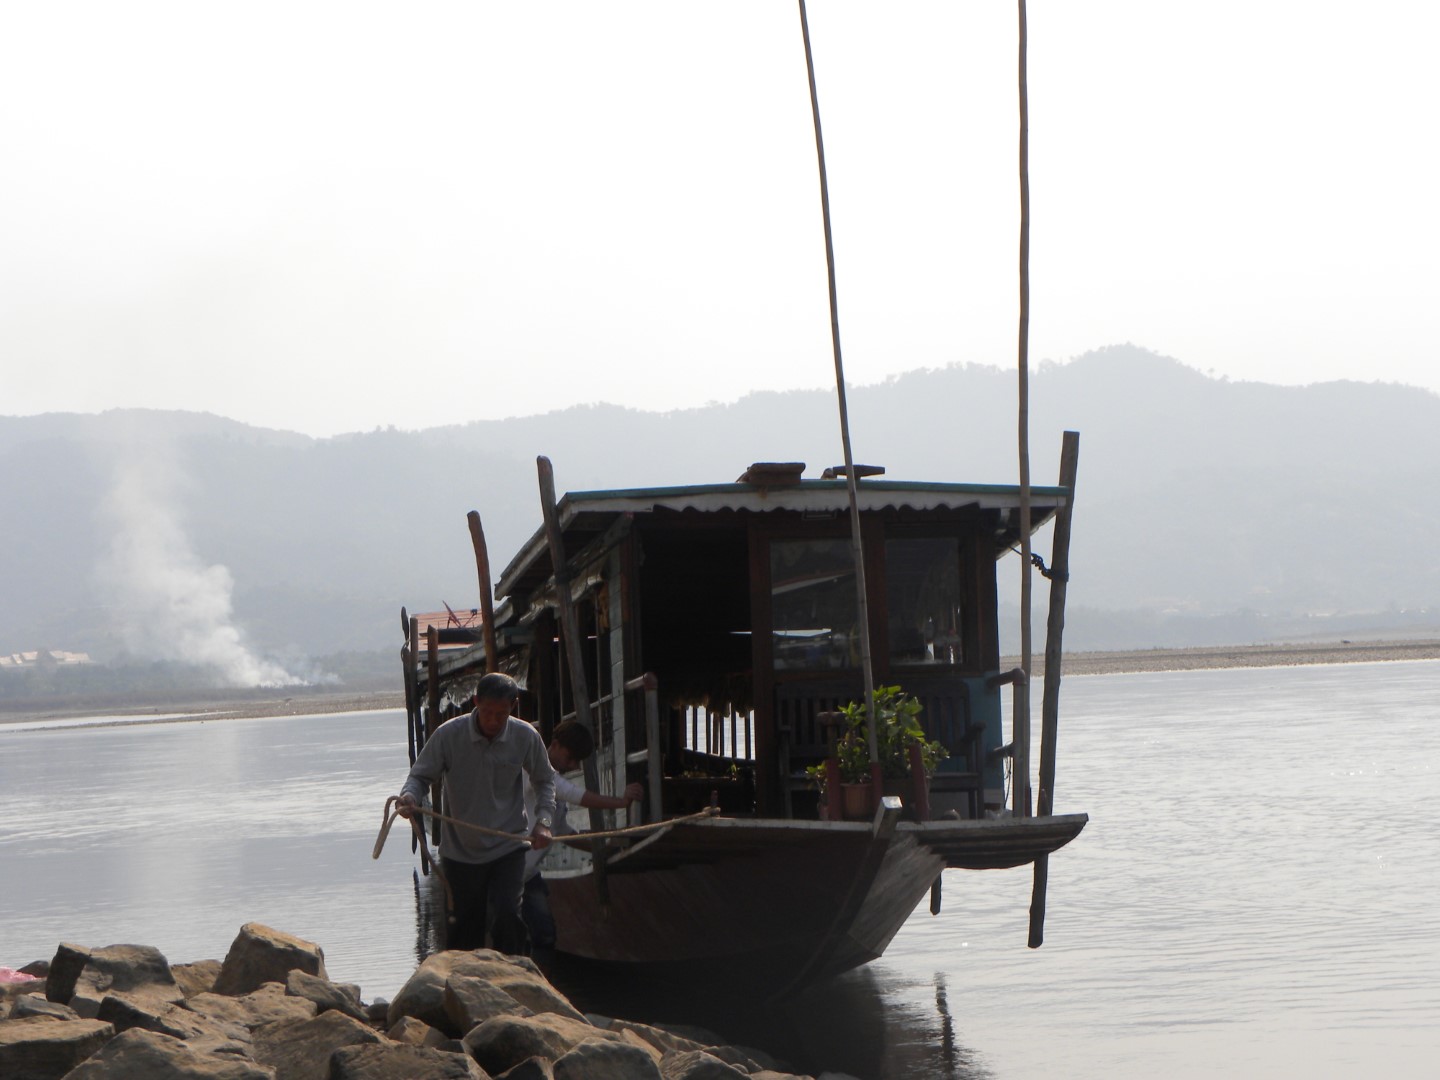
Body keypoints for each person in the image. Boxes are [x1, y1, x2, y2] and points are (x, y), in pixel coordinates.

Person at [397, 672, 556, 955]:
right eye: (487, 713)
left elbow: (545, 782)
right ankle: (462, 988)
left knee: (508, 916)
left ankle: (514, 980)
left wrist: (543, 822)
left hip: (508, 845)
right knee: (464, 931)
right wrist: (409, 797)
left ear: (513, 707)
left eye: (501, 714)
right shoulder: (449, 735)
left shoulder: (525, 736)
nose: (493, 721)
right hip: (461, 852)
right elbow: (419, 777)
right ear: (475, 702)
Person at [521, 720, 644, 951]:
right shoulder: (535, 769)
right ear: (554, 745)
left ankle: (536, 981)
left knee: (545, 936)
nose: (574, 765)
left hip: (527, 876)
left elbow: (564, 833)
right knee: (516, 933)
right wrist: (621, 802)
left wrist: (601, 850)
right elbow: (575, 794)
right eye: (571, 758)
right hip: (506, 870)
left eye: (578, 761)